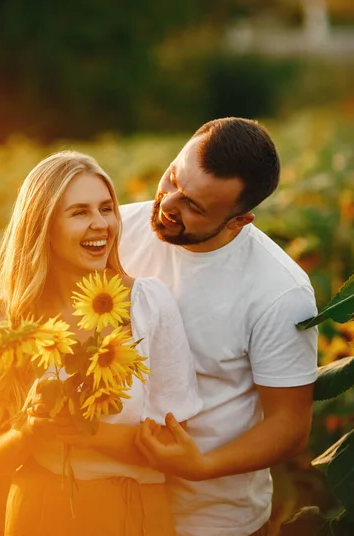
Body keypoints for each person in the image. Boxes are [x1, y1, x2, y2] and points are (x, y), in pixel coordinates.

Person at [0, 151, 202, 536]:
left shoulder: (147, 305)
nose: (101, 224)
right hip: (38, 514)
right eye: (80, 212)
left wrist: (74, 428)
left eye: (106, 208)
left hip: (133, 511)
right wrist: (28, 431)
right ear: (41, 227)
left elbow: (170, 442)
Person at [119, 117, 318, 536]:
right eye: (172, 178)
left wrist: (202, 466)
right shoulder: (114, 230)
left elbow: (290, 426)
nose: (169, 204)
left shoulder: (280, 291)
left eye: (194, 206)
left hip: (211, 517)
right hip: (114, 499)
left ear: (238, 221)